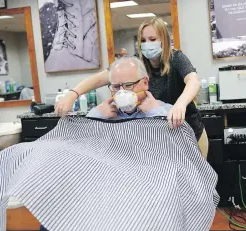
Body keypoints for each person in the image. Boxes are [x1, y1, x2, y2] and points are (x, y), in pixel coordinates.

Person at [56, 17, 208, 157]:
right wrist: (73, 94)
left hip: (186, 129)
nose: (147, 44)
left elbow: (193, 81)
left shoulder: (176, 59)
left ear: (164, 40)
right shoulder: (137, 62)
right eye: (143, 40)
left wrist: (180, 105)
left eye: (152, 39)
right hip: (156, 132)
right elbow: (100, 78)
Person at [87, 56, 172, 120]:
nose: (121, 92)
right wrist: (96, 115)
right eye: (116, 87)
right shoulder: (105, 113)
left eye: (128, 85)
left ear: (145, 83)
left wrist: (157, 113)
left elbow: (176, 139)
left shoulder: (167, 111)